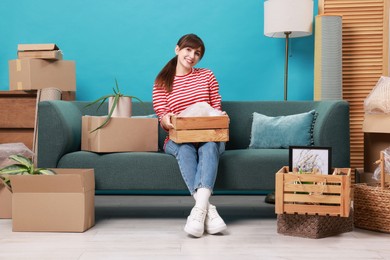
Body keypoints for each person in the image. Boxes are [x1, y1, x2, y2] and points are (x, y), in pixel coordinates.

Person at [152, 33, 227, 238]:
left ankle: (198, 213)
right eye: (188, 50)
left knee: (210, 146)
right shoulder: (162, 82)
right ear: (177, 49)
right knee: (185, 149)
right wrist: (167, 120)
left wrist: (219, 115)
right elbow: (162, 116)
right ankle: (208, 210)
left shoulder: (207, 76)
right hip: (177, 139)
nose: (192, 56)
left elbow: (215, 109)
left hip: (209, 135)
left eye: (197, 53)